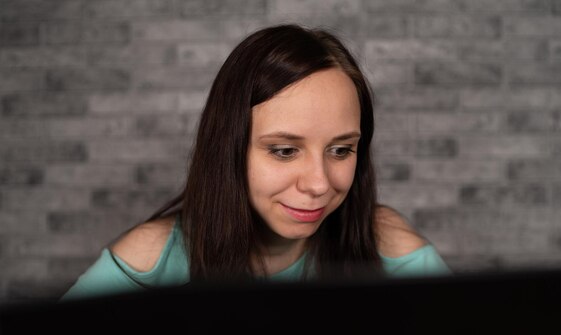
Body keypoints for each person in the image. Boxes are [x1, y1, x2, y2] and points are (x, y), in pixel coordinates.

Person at [61, 24, 450, 301]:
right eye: (284, 151)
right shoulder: (152, 256)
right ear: (228, 148)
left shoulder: (385, 244)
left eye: (340, 150)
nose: (318, 183)